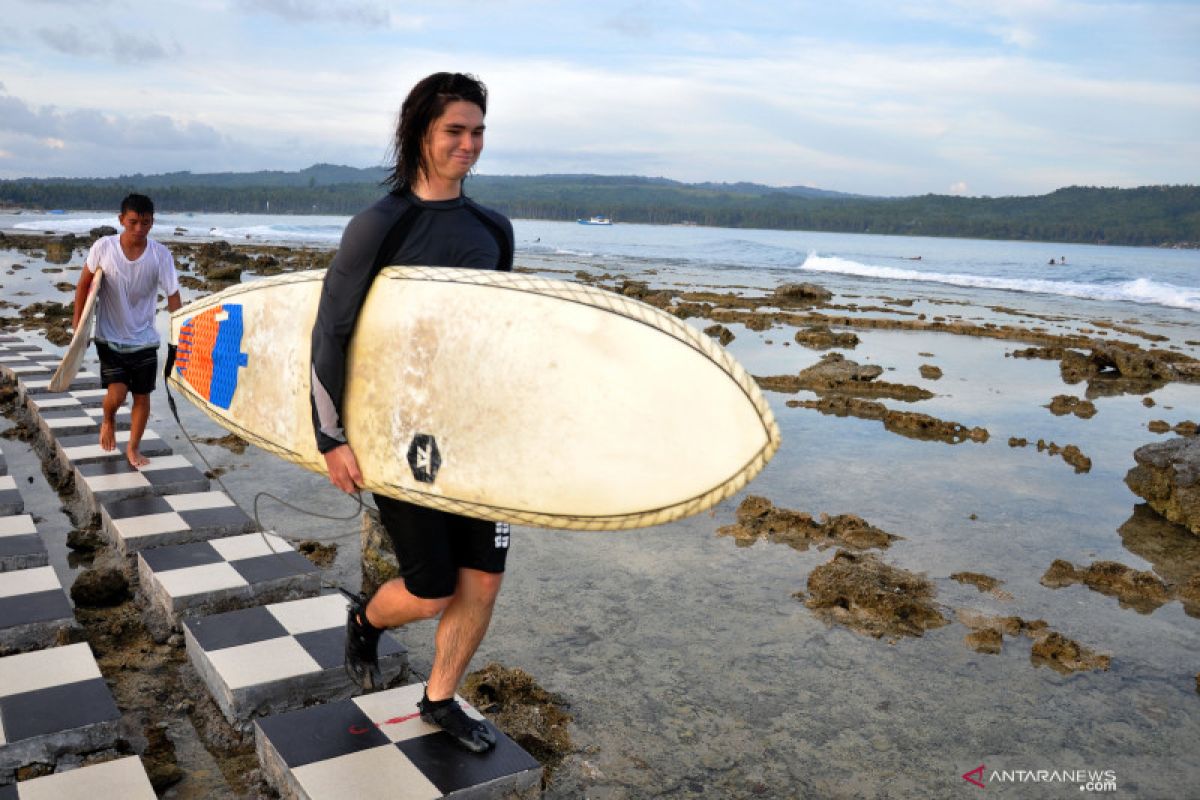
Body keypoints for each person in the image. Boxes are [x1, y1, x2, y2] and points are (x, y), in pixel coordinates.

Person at [310, 72, 514, 754]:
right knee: (430, 589)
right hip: (400, 438)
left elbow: (491, 333)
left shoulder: (493, 230)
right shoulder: (380, 225)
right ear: (419, 135)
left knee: (483, 578)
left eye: (478, 131)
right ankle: (366, 621)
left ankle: (439, 698)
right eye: (454, 131)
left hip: (474, 438)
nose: (469, 144)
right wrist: (330, 437)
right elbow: (330, 333)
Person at [73, 193, 181, 468]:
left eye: (145, 223)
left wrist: (179, 336)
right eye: (132, 222)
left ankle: (133, 448)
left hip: (145, 339)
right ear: (121, 220)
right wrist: (78, 329)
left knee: (142, 396)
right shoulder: (104, 247)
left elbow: (173, 296)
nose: (138, 229)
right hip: (110, 338)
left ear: (152, 222)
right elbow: (84, 285)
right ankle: (108, 419)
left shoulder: (161, 255)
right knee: (118, 394)